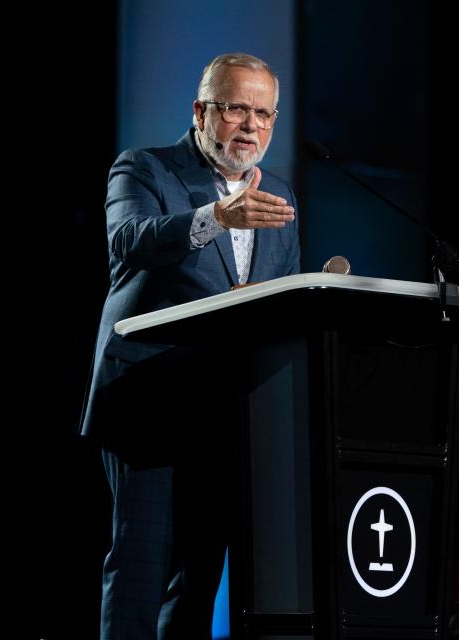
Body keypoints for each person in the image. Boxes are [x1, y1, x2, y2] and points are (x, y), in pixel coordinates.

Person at [80, 52, 301, 640]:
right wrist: (214, 218)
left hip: (226, 412)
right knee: (140, 569)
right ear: (202, 111)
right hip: (148, 401)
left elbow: (274, 302)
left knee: (198, 578)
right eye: (235, 109)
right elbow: (130, 240)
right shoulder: (145, 169)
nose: (250, 125)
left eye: (264, 113)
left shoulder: (279, 196)